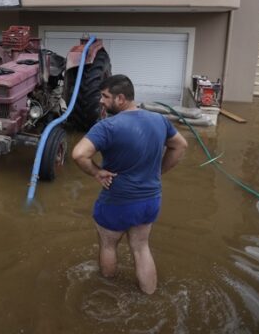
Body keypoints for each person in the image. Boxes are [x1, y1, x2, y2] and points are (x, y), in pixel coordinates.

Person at [72, 74, 187, 294]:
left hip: (117, 201)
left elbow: (78, 155)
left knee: (108, 245)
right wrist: (159, 171)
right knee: (142, 248)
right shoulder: (159, 120)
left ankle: (108, 292)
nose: (101, 101)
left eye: (105, 97)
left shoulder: (107, 126)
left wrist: (96, 172)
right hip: (150, 200)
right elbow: (180, 146)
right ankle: (149, 297)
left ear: (121, 98)